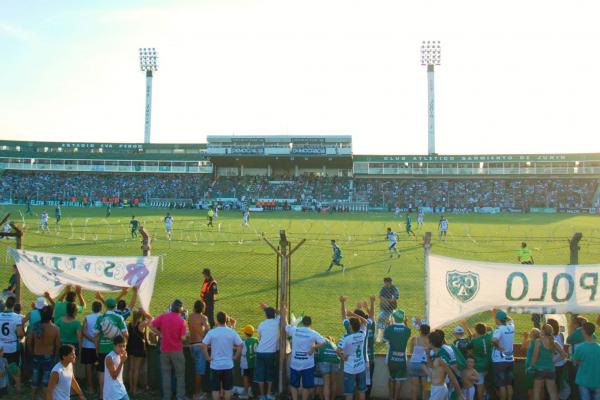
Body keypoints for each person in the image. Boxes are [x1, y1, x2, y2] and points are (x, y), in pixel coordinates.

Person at [201, 311, 243, 400]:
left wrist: (207, 358)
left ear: (217, 320)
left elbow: (203, 345)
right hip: (228, 365)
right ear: (226, 320)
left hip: (215, 365)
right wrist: (235, 357)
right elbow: (240, 345)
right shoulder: (232, 332)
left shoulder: (212, 332)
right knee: (227, 388)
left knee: (215, 389)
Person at [151, 299, 187, 400]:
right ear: (180, 309)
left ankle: (167, 397)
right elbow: (183, 338)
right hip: (177, 350)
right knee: (180, 375)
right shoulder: (181, 321)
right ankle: (180, 396)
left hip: (164, 349)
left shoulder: (163, 316)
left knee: (166, 374)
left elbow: (151, 325)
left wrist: (160, 334)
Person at [94, 298, 128, 400]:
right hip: (115, 350)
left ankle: (102, 395)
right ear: (115, 306)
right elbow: (125, 334)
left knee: (102, 372)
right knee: (115, 374)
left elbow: (95, 335)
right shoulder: (119, 317)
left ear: (106, 306)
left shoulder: (100, 318)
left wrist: (97, 348)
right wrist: (124, 347)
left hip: (103, 348)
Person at [285, 315, 326, 400]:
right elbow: (323, 342)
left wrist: (283, 312)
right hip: (307, 365)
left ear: (302, 323)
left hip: (295, 363)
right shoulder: (313, 333)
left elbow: (286, 326)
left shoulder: (295, 330)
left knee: (293, 385)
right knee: (306, 386)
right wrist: (314, 347)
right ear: (311, 324)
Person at [28, 305, 60, 400]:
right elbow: (58, 345)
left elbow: (29, 342)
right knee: (46, 383)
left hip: (36, 355)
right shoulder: (55, 328)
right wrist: (55, 356)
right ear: (52, 315)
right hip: (49, 357)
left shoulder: (35, 326)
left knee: (35, 380)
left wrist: (32, 352)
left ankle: (33, 398)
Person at [530, 324, 567, 400]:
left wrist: (532, 365)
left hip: (540, 369)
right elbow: (564, 355)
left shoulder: (539, 341)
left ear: (543, 331)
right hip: (551, 369)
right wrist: (554, 361)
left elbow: (535, 356)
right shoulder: (554, 342)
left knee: (536, 391)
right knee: (552, 393)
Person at [427, 329, 464, 400]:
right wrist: (427, 354)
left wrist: (460, 394)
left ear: (431, 343)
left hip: (438, 389)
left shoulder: (440, 358)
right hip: (440, 388)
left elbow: (452, 376)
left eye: (428, 341)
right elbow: (432, 366)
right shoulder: (437, 355)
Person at [383, 310, 411, 400]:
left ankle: (391, 397)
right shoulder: (407, 330)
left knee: (391, 378)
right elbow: (407, 334)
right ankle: (396, 398)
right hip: (402, 359)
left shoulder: (389, 328)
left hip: (390, 358)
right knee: (399, 380)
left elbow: (385, 339)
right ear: (403, 318)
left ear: (394, 318)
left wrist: (389, 325)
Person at [337, 317, 367, 400]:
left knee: (349, 392)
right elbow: (365, 322)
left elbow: (338, 350)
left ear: (350, 326)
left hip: (350, 369)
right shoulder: (362, 334)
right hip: (361, 367)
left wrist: (343, 357)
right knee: (362, 391)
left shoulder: (346, 338)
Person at [461, 320, 492, 400]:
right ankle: (486, 395)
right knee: (482, 382)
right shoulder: (489, 336)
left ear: (476, 331)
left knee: (479, 386)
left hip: (479, 367)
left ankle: (482, 397)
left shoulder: (475, 341)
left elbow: (465, 347)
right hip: (488, 365)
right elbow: (491, 329)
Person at [255, 304, 280, 400]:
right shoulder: (277, 322)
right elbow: (281, 313)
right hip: (271, 352)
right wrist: (269, 308)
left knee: (260, 374)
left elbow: (260, 337)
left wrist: (267, 309)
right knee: (270, 373)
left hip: (260, 351)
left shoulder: (262, 324)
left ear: (266, 315)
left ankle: (262, 395)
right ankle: (269, 394)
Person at [0, 296, 23, 394]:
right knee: (15, 369)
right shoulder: (16, 317)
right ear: (14, 305)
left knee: (2, 367)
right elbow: (20, 333)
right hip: (11, 347)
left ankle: (5, 386)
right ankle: (18, 389)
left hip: (1, 346)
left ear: (5, 305)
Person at [572, 322, 600, 400]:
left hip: (584, 381)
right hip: (598, 381)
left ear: (583, 332)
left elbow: (575, 363)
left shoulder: (580, 348)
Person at [491, 309, 515, 400]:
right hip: (510, 359)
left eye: (495, 318)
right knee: (508, 384)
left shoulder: (499, 329)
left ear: (497, 319)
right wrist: (502, 315)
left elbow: (494, 340)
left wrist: (498, 347)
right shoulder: (511, 326)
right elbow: (510, 319)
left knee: (502, 385)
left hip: (499, 360)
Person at [189, 300, 210, 400]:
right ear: (202, 308)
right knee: (199, 371)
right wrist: (204, 335)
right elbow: (208, 329)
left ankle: (199, 392)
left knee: (197, 370)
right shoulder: (203, 317)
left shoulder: (190, 316)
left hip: (192, 346)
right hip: (200, 346)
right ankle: (197, 395)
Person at [127, 309, 151, 397]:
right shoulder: (141, 324)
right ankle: (134, 390)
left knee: (131, 369)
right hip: (139, 348)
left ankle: (130, 388)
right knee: (136, 369)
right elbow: (152, 319)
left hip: (130, 348)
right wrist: (146, 313)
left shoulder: (130, 324)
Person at [81, 301, 102, 395]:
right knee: (99, 368)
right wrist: (96, 340)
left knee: (88, 367)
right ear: (100, 309)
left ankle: (90, 388)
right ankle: (100, 388)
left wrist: (91, 340)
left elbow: (84, 331)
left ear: (92, 308)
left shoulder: (87, 318)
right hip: (99, 346)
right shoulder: (103, 317)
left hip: (87, 346)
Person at [547, 318, 570, 400]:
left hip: (556, 365)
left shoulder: (553, 339)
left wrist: (553, 361)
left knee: (554, 386)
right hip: (561, 364)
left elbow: (563, 354)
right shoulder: (560, 335)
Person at [407, 322, 429, 400]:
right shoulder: (429, 341)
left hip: (414, 363)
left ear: (420, 331)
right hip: (425, 365)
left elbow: (411, 352)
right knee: (425, 387)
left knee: (414, 387)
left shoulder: (414, 339)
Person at [104, 335, 129, 400]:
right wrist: (122, 362)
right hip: (112, 393)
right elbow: (114, 376)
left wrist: (122, 360)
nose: (122, 348)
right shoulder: (109, 358)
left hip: (121, 389)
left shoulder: (121, 355)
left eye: (124, 346)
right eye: (120, 346)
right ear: (114, 346)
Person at [317, 335, 340, 400]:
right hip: (335, 361)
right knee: (334, 382)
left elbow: (318, 354)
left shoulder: (322, 343)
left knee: (326, 383)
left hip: (324, 361)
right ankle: (332, 398)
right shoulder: (334, 345)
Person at [240, 325, 258, 399]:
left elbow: (243, 353)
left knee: (245, 377)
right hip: (253, 362)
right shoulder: (256, 339)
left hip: (246, 364)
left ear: (245, 333)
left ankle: (246, 393)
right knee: (252, 377)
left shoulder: (245, 342)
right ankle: (252, 392)